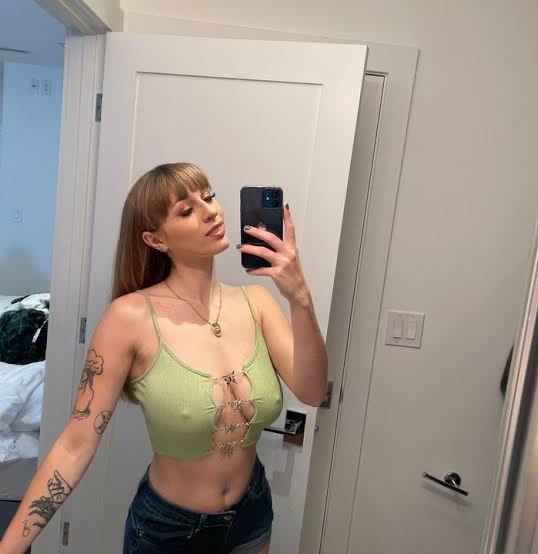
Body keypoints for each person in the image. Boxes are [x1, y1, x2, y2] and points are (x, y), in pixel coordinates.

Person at [0, 162, 328, 554]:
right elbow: (75, 444)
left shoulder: (257, 303)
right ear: (155, 240)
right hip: (168, 533)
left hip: (251, 517)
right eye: (186, 210)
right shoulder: (129, 318)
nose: (210, 211)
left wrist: (299, 297)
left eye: (208, 197)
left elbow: (312, 392)